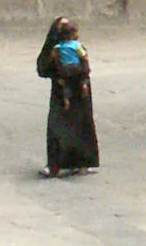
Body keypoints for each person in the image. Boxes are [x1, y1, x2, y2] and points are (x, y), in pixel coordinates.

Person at [36, 15, 99, 176]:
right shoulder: (54, 49)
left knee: (82, 126)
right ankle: (55, 164)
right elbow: (43, 68)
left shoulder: (75, 47)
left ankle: (83, 162)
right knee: (57, 127)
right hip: (61, 90)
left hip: (79, 92)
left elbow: (85, 64)